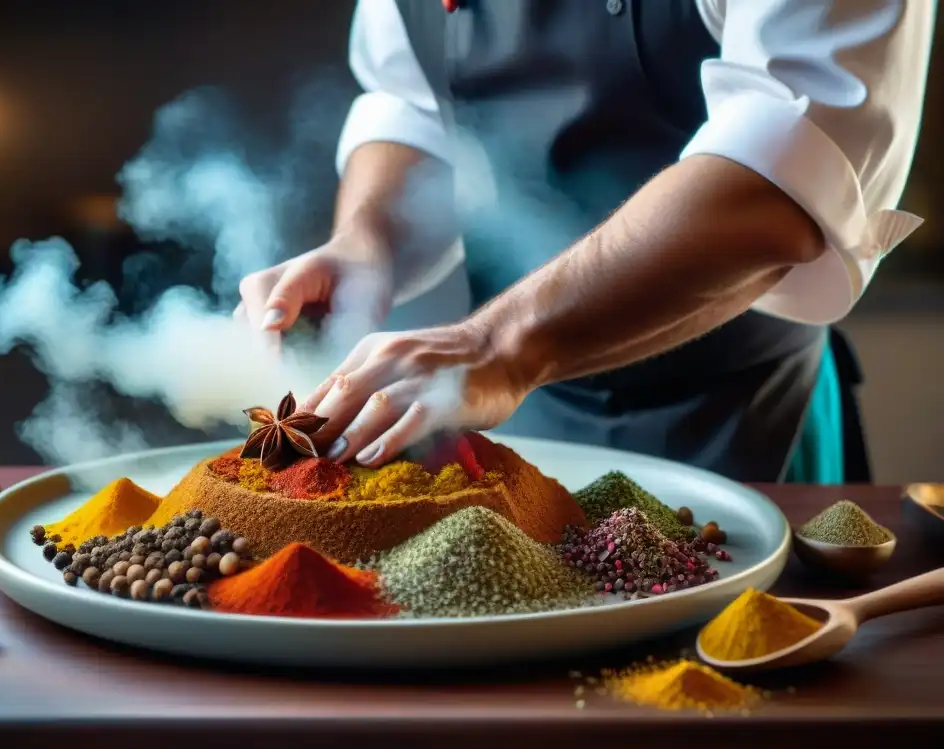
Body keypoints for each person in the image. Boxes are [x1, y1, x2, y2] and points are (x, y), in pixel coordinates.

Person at [237, 0, 934, 483]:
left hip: (745, 418)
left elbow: (780, 179)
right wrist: (366, 240)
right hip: (518, 413)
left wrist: (497, 345)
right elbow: (412, 101)